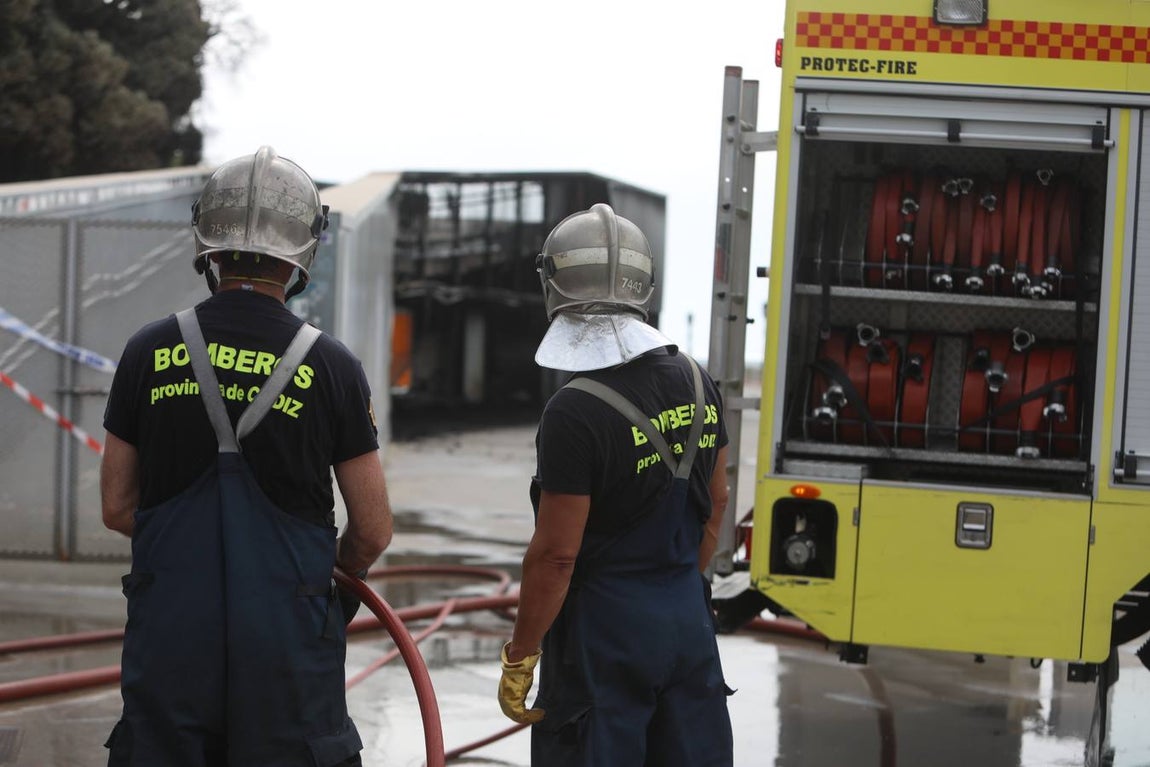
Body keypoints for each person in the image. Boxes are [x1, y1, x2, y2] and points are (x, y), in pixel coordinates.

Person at [100, 146, 393, 767]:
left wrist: (193, 559)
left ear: (207, 242)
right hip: (286, 638)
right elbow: (373, 529)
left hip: (173, 631)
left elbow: (116, 506)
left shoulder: (147, 350)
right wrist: (320, 588)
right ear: (303, 252)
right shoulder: (332, 366)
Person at [498, 203, 734, 766]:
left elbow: (556, 557)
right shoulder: (699, 382)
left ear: (554, 286)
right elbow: (717, 502)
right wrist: (674, 586)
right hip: (686, 623)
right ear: (644, 287)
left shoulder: (573, 410)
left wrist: (522, 654)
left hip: (603, 639)